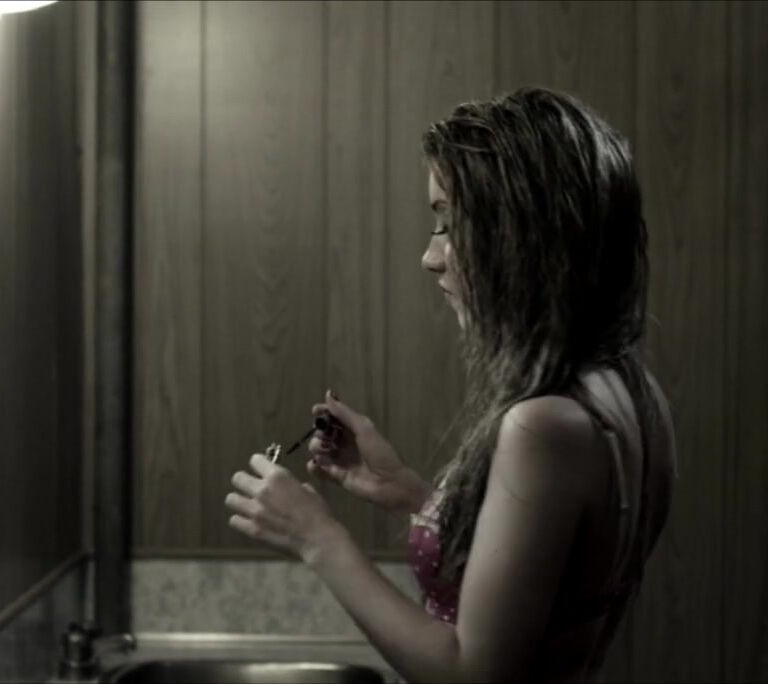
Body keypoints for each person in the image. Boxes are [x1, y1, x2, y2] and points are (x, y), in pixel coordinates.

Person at [224, 87, 677, 683]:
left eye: (447, 224)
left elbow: (471, 672)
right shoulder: (633, 395)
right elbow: (545, 580)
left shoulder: (541, 427)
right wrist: (409, 492)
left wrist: (317, 537)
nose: (430, 257)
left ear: (521, 236)